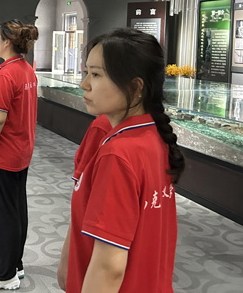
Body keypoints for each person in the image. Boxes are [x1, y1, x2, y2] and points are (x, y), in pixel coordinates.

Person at [61, 28, 185, 292]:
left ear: (135, 87)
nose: (84, 84)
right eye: (86, 72)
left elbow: (109, 267)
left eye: (96, 75)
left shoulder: (118, 154)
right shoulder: (152, 136)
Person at [0, 19, 39, 291]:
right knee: (17, 209)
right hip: (21, 151)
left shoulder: (6, 76)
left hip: (4, 153)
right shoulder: (26, 71)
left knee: (3, 214)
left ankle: (4, 273)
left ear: (7, 42)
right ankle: (15, 262)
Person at [57, 114, 112, 290]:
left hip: (97, 241)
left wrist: (68, 256)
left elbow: (82, 196)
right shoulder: (151, 133)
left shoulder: (103, 127)